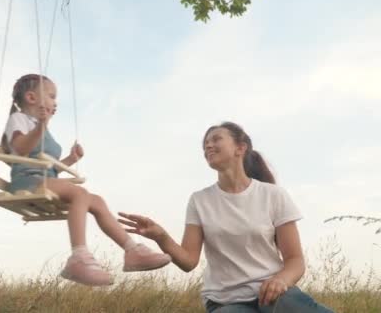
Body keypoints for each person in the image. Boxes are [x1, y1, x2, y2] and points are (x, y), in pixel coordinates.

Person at [119, 122, 333, 312]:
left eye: (216, 139)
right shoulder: (200, 200)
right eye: (205, 143)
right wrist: (161, 236)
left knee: (291, 304)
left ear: (240, 148)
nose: (208, 146)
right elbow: (188, 262)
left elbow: (295, 260)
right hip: (226, 302)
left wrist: (280, 280)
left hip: (273, 291)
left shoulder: (272, 195)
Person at [2, 74, 171, 286]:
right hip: (26, 180)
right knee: (80, 193)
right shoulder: (19, 119)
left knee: (96, 200)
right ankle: (79, 257)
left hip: (42, 178)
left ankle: (132, 250)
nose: (56, 101)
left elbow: (48, 166)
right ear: (31, 97)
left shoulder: (39, 124)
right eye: (52, 96)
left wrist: (71, 159)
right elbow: (20, 149)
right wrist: (41, 126)